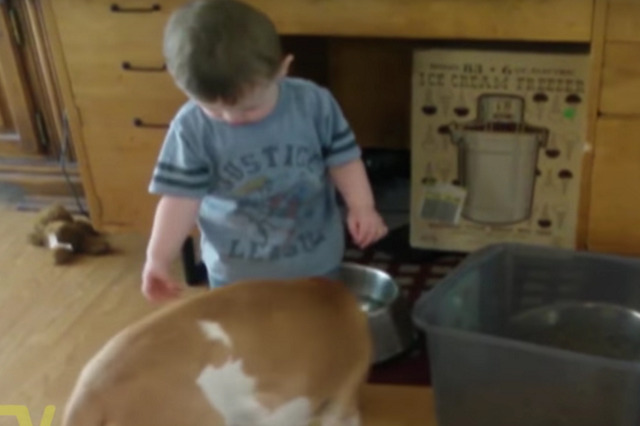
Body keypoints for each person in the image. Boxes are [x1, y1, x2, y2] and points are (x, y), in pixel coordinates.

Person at [141, 0, 388, 302]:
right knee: (242, 331)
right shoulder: (191, 128)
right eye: (214, 110)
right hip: (234, 273)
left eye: (250, 108)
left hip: (316, 263)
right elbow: (179, 200)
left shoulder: (314, 104)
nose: (232, 119)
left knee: (315, 327)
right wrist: (158, 259)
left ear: (282, 69)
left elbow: (345, 160)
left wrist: (362, 206)